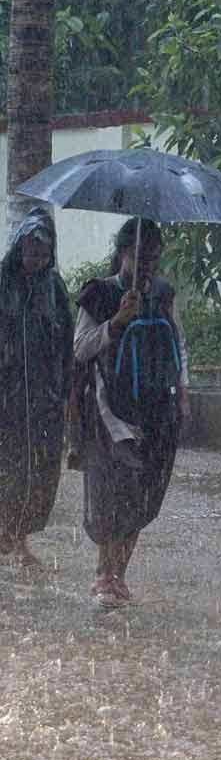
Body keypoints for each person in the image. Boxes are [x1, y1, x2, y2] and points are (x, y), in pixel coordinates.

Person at [74, 218, 190, 608]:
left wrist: (183, 394)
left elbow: (179, 343)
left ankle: (119, 574)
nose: (147, 266)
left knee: (144, 495)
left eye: (154, 259)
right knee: (113, 492)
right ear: (123, 251)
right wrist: (117, 322)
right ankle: (103, 573)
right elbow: (80, 348)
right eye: (140, 257)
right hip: (112, 413)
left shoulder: (163, 294)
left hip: (158, 411)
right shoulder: (100, 294)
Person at [0, 208, 73, 567]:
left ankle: (21, 539)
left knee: (37, 470)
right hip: (6, 396)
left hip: (44, 396)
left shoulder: (54, 288)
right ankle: (6, 534)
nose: (36, 261)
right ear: (19, 249)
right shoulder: (2, 283)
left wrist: (66, 391)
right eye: (30, 253)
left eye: (43, 255)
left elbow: (66, 345)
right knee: (7, 465)